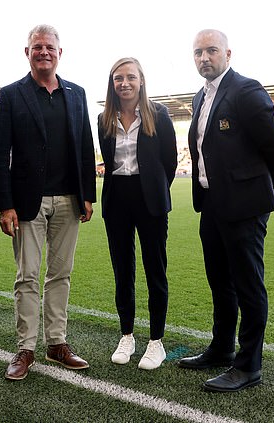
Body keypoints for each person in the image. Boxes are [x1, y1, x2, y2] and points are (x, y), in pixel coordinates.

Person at [177, 29, 274, 392]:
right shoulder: (200, 97)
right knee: (220, 282)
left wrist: (254, 189)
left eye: (211, 50)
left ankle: (248, 366)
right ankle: (222, 348)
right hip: (211, 204)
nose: (204, 57)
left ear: (228, 53)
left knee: (248, 286)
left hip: (244, 208)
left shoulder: (245, 89)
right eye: (198, 52)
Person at [0, 24, 96, 381]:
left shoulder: (77, 94)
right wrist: (5, 205)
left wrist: (87, 195)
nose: (44, 52)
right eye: (37, 47)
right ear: (28, 53)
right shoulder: (11, 95)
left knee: (61, 274)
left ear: (60, 53)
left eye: (50, 47)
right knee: (28, 276)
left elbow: (84, 146)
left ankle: (57, 343)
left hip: (68, 199)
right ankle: (25, 348)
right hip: (26, 203)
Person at [97, 57, 177, 370]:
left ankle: (156, 342)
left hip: (150, 201)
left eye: (131, 77)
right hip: (117, 198)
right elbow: (107, 158)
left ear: (141, 80)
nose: (125, 83)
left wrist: (154, 188)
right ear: (112, 83)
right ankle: (127, 336)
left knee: (155, 270)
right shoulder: (104, 118)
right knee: (123, 271)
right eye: (119, 78)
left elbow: (168, 161)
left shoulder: (158, 114)